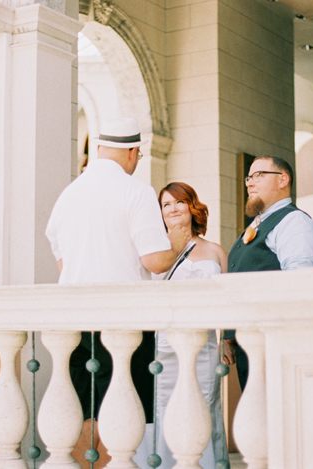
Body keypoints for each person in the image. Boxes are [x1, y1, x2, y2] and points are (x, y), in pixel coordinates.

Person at [45, 118, 190, 469]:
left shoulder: (69, 194)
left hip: (73, 321)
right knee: (124, 413)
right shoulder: (134, 190)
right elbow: (155, 261)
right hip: (123, 322)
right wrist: (178, 245)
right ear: (132, 153)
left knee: (82, 412)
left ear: (98, 150)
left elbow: (63, 265)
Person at [145, 182, 228, 469]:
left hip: (203, 344)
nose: (172, 208)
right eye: (165, 204)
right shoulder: (154, 253)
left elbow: (227, 301)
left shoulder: (215, 250)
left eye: (178, 202)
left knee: (203, 404)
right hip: (164, 346)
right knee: (165, 406)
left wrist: (226, 339)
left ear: (191, 206)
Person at [223, 156, 313, 390]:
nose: (249, 183)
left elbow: (301, 284)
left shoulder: (294, 222)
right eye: (249, 177)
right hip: (250, 344)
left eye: (258, 175)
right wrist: (229, 334)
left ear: (283, 180)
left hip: (275, 343)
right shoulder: (258, 223)